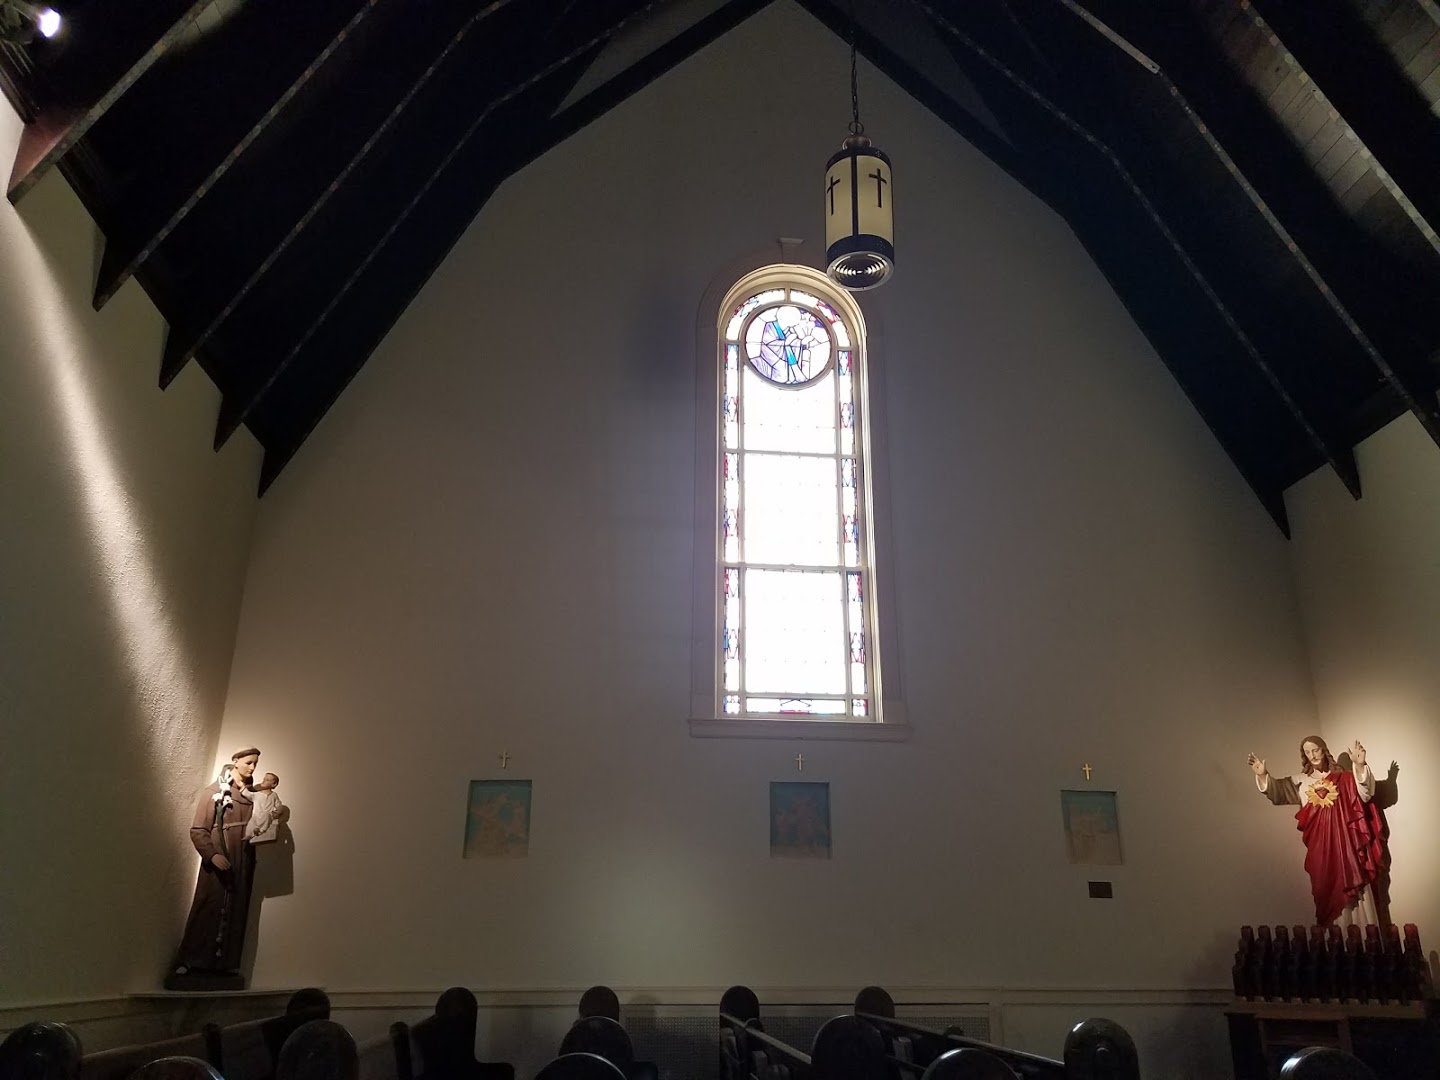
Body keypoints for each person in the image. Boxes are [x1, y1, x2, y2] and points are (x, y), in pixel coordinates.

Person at [1248, 736, 1387, 927]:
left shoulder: (1345, 778)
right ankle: (1336, 937)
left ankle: (1365, 935)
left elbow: (1365, 793)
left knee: (1354, 880)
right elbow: (1277, 792)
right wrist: (1264, 775)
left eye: (1315, 750)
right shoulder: (1300, 781)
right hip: (1320, 849)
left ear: (1324, 750)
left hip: (1347, 846)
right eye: (1307, 752)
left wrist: (1360, 765)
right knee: (1325, 887)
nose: (1312, 755)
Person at [166, 747, 261, 987]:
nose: (252, 768)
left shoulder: (252, 795)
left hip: (243, 859)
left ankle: (224, 963)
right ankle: (192, 960)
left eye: (255, 764)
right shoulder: (216, 791)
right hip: (220, 858)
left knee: (236, 909)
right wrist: (212, 855)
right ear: (236, 761)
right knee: (209, 905)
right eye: (248, 762)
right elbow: (198, 830)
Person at [245, 773, 285, 845]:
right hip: (256, 815)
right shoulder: (257, 794)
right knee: (251, 824)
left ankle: (260, 831)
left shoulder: (273, 795)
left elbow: (278, 805)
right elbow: (248, 794)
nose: (263, 781)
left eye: (267, 780)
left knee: (266, 816)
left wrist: (276, 812)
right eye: (264, 779)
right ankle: (249, 835)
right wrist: (242, 787)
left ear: (274, 784)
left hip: (266, 816)